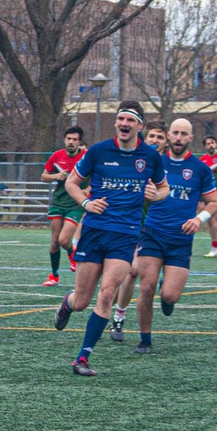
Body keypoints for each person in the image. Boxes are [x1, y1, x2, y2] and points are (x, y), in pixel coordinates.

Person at [51, 103, 169, 376]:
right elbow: (71, 182)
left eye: (130, 119)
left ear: (139, 126)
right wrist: (85, 203)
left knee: (106, 293)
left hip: (125, 234)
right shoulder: (98, 151)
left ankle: (82, 358)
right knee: (82, 301)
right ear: (116, 123)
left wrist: (156, 194)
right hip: (94, 230)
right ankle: (66, 303)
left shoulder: (150, 157)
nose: (123, 123)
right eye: (120, 119)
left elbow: (164, 189)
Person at [124, 117, 217, 352]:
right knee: (146, 287)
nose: (178, 138)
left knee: (170, 295)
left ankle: (167, 297)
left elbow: (213, 203)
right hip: (152, 233)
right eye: (174, 133)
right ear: (168, 136)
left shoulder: (200, 169)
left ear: (190, 138)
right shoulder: (153, 163)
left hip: (180, 239)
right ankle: (145, 339)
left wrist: (199, 219)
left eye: (183, 134)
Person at [40, 126, 87, 287]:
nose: (71, 142)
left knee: (64, 240)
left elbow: (96, 177)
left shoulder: (86, 157)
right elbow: (44, 176)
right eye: (69, 139)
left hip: (75, 203)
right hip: (58, 202)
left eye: (75, 139)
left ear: (79, 142)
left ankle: (71, 252)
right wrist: (56, 176)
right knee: (54, 241)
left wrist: (88, 190)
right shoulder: (56, 156)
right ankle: (54, 275)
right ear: (64, 140)